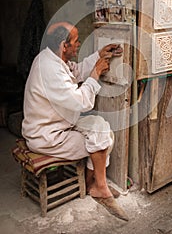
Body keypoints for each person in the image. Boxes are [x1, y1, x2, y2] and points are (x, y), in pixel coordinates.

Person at [22, 21, 128, 221]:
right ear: (64, 46)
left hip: (59, 123)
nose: (78, 44)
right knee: (101, 139)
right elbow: (81, 101)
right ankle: (100, 188)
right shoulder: (48, 69)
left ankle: (94, 186)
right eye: (76, 41)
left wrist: (99, 55)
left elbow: (76, 71)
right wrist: (95, 74)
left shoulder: (51, 57)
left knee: (102, 130)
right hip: (46, 135)